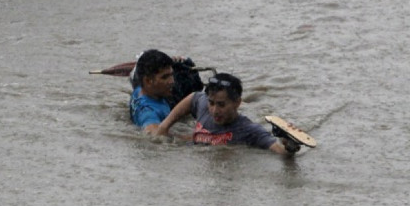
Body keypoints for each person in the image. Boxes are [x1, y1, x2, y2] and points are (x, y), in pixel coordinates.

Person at [154, 72, 300, 155]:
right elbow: (193, 98)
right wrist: (164, 126)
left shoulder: (249, 130)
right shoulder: (205, 106)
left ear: (237, 103)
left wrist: (289, 148)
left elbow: (277, 150)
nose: (215, 110)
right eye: (212, 103)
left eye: (221, 105)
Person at [128, 49, 177, 135]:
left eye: (171, 75)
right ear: (148, 81)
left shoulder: (139, 89)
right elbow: (153, 134)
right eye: (165, 77)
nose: (172, 81)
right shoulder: (149, 112)